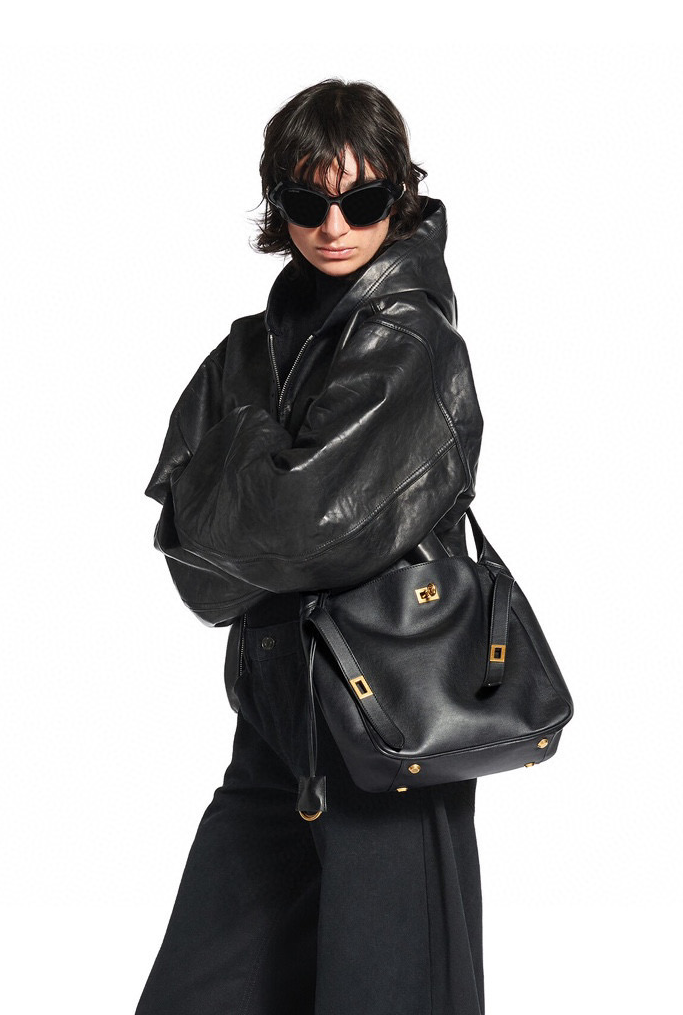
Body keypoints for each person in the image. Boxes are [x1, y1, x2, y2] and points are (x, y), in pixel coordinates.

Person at [137, 80, 487, 1015]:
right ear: (278, 203)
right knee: (199, 989)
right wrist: (262, 497)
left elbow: (299, 525)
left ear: (398, 200)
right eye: (308, 200)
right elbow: (189, 559)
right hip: (274, 721)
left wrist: (243, 459)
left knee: (388, 994)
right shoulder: (250, 348)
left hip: (387, 726)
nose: (334, 226)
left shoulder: (412, 341)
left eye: (363, 201)